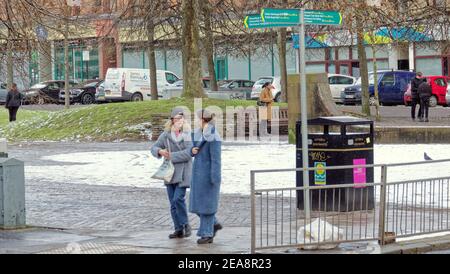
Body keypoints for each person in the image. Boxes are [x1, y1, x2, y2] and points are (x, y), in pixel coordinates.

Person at [151, 108, 193, 239]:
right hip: (169, 172)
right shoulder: (165, 135)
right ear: (172, 120)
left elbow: (189, 153)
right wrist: (159, 151)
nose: (179, 120)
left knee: (178, 199)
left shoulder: (187, 135)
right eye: (176, 118)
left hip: (184, 172)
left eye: (181, 118)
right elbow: (153, 147)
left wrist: (171, 155)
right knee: (172, 203)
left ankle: (186, 224)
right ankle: (178, 229)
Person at [190, 109, 223, 244]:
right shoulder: (198, 133)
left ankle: (207, 233)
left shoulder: (214, 136)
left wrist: (215, 177)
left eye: (197, 118)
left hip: (208, 176)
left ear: (203, 119)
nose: (195, 121)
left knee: (207, 207)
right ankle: (214, 224)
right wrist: (191, 151)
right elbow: (190, 148)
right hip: (197, 176)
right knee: (197, 206)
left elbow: (216, 159)